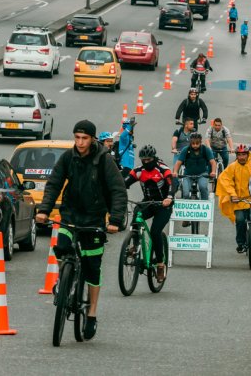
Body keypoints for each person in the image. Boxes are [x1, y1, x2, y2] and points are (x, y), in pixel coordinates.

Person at [36, 120, 127, 340]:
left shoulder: (104, 160)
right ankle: (63, 279)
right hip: (70, 214)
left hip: (94, 220)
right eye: (77, 137)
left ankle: (92, 312)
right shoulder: (69, 157)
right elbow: (54, 183)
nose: (80, 142)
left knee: (92, 268)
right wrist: (44, 210)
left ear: (93, 139)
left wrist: (114, 220)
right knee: (63, 246)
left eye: (84, 138)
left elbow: (118, 190)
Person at [124, 145, 174, 282]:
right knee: (136, 215)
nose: (146, 162)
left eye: (149, 159)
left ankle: (160, 265)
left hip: (163, 205)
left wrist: (169, 197)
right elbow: (126, 182)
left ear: (154, 158)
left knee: (155, 232)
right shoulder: (139, 171)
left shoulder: (162, 169)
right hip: (148, 203)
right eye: (143, 160)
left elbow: (173, 183)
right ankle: (135, 245)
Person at [215, 144, 251, 253]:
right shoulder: (232, 167)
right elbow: (225, 180)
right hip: (239, 200)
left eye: (244, 154)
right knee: (240, 221)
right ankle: (241, 243)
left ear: (248, 154)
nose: (241, 157)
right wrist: (232, 194)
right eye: (239, 155)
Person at [172, 132, 216, 203]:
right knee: (185, 193)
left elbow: (213, 162)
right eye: (193, 144)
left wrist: (213, 171)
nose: (195, 145)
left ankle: (204, 205)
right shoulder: (185, 150)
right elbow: (178, 163)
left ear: (200, 142)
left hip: (202, 174)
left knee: (203, 187)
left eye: (197, 143)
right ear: (190, 143)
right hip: (187, 175)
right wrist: (175, 172)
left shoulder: (205, 149)